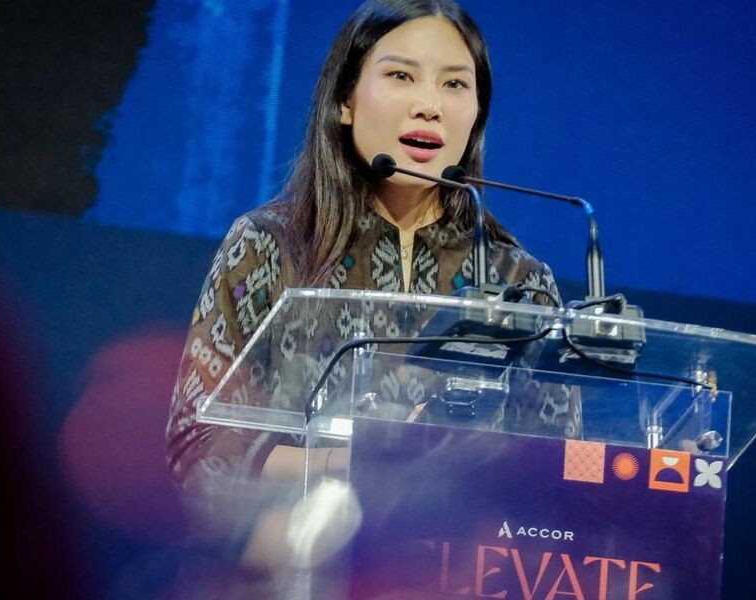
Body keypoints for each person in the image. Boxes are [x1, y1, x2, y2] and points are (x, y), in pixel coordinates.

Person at [166, 0, 573, 494]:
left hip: (461, 542)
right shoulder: (268, 245)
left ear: (477, 113)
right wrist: (358, 460)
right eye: (401, 76)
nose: (430, 105)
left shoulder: (519, 283)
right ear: (346, 100)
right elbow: (199, 448)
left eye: (454, 84)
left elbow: (560, 471)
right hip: (293, 537)